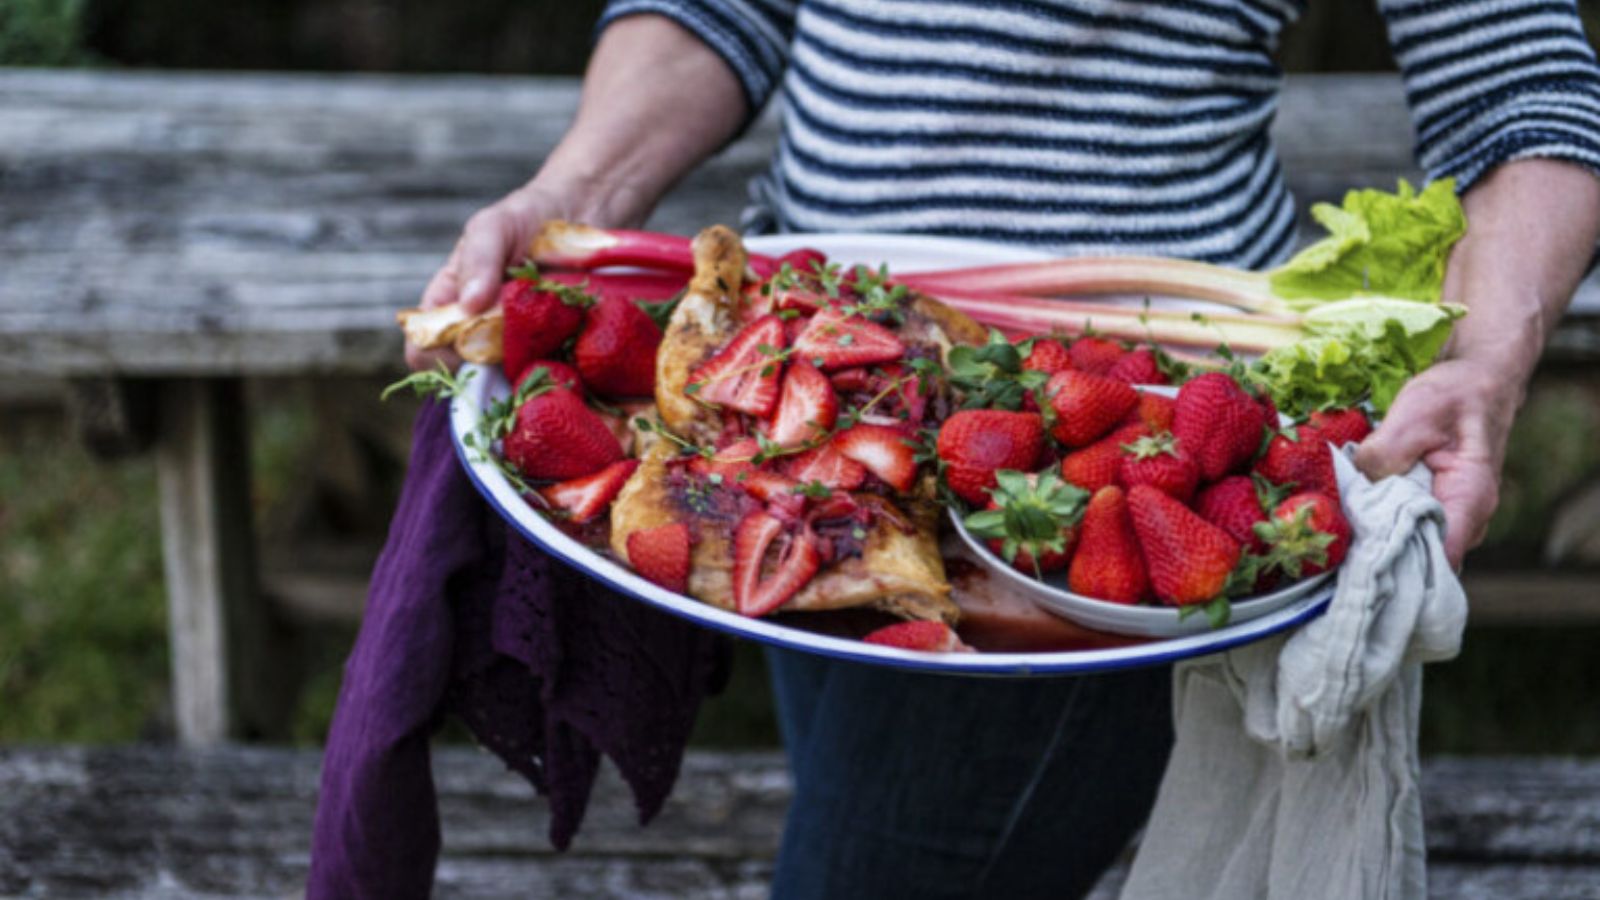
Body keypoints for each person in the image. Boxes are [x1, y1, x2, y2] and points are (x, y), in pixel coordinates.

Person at [405, 2, 1600, 896]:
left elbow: (1525, 88)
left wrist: (1484, 368)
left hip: (1102, 473)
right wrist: (571, 208)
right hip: (793, 407)